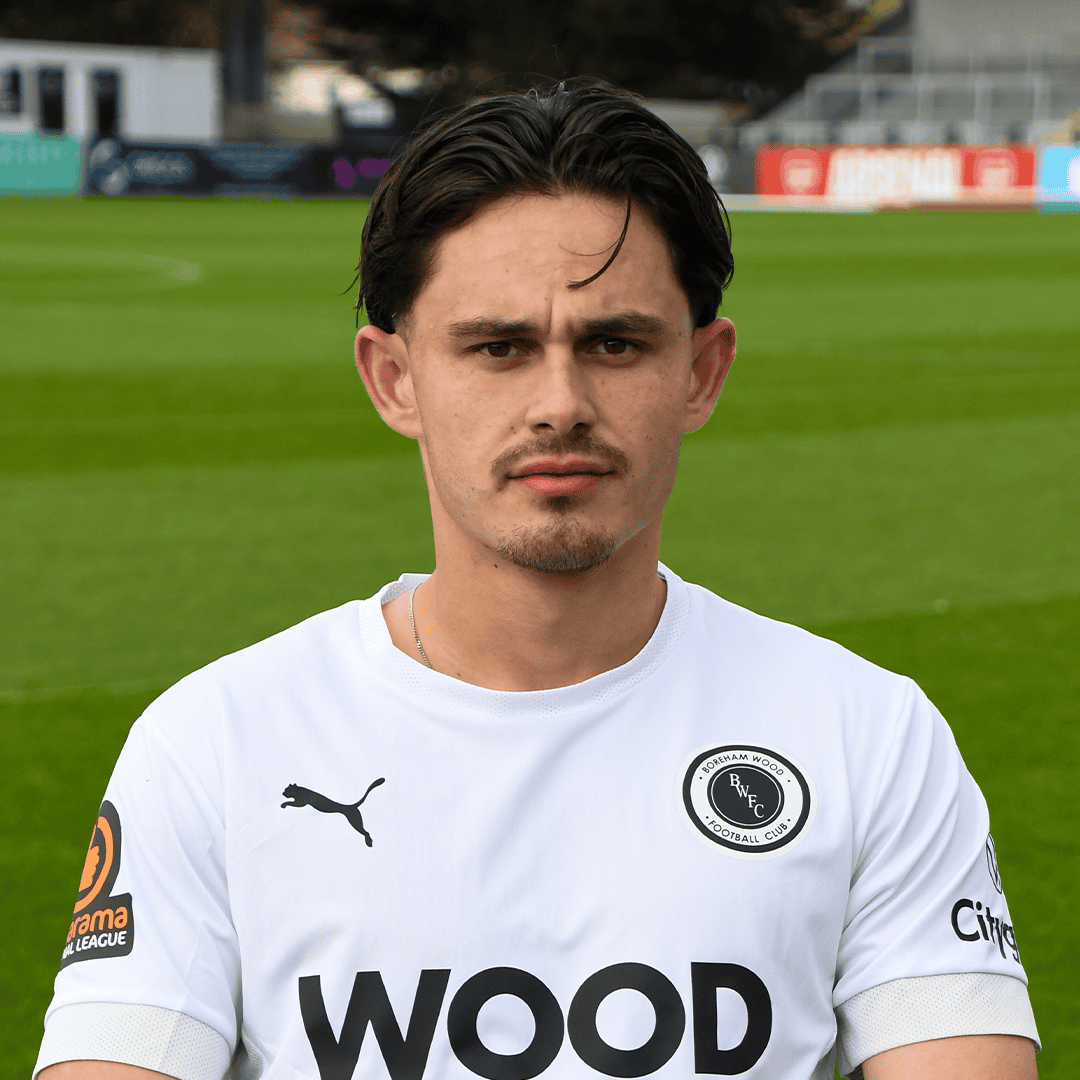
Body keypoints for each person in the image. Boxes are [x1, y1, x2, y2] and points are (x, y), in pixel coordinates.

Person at [36, 80, 1038, 1080]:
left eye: (614, 343)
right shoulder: (214, 745)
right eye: (498, 347)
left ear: (701, 372)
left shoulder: (867, 737)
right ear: (394, 379)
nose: (560, 403)